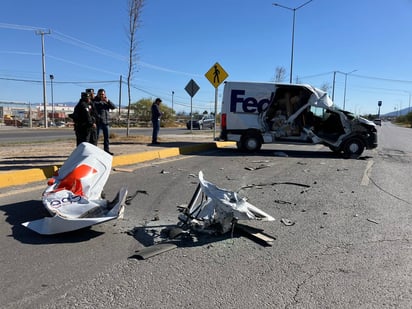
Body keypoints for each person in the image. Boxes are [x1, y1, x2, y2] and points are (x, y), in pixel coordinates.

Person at [93, 88, 116, 155]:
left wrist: (108, 101)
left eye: (102, 94)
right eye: (100, 94)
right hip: (98, 122)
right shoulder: (94, 101)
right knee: (96, 138)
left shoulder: (106, 101)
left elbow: (113, 107)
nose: (101, 95)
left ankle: (106, 150)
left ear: (105, 94)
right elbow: (94, 106)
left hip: (106, 122)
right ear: (97, 94)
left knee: (106, 138)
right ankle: (94, 152)